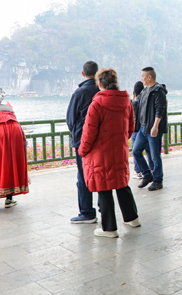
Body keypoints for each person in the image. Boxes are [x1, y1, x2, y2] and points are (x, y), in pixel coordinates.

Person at [78, 69, 140, 237]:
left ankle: (109, 228)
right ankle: (132, 218)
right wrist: (119, 141)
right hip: (119, 151)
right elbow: (130, 128)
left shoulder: (97, 104)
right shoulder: (126, 101)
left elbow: (89, 133)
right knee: (121, 183)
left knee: (104, 186)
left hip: (100, 153)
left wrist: (82, 150)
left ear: (100, 84)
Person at [66, 61, 100, 223]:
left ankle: (87, 212)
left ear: (83, 73)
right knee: (100, 172)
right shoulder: (102, 90)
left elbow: (71, 120)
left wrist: (77, 135)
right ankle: (103, 206)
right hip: (100, 140)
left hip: (82, 141)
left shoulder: (80, 93)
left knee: (83, 175)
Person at [133, 66, 168, 191]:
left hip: (153, 129)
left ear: (149, 77)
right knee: (136, 151)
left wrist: (155, 127)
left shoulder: (158, 91)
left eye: (143, 76)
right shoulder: (144, 91)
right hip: (143, 128)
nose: (141, 79)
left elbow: (160, 110)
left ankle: (158, 180)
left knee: (155, 156)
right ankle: (147, 175)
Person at [131, 81, 154, 179]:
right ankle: (152, 169)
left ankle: (139, 172)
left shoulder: (133, 102)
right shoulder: (145, 100)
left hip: (136, 130)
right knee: (149, 150)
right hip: (145, 128)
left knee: (136, 151)